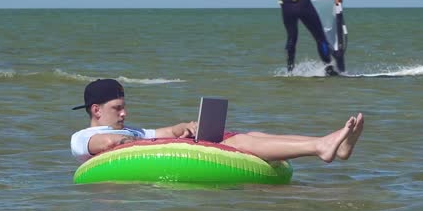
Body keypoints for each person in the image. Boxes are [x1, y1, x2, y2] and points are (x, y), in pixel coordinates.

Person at [70, 78, 365, 164]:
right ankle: (320, 147)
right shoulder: (82, 137)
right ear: (96, 110)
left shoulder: (132, 130)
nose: (124, 114)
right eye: (117, 108)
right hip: (158, 162)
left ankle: (330, 146)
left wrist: (182, 128)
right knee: (239, 143)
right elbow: (106, 143)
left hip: (170, 150)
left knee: (251, 134)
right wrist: (154, 141)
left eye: (125, 107)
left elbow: (160, 131)